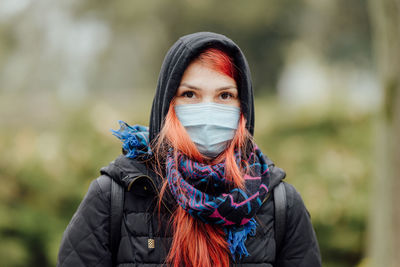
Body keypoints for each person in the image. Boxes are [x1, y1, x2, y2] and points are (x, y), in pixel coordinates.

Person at [57, 32, 322, 267]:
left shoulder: (278, 204)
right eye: (190, 94)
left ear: (244, 108)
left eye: (225, 95)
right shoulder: (117, 195)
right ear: (167, 104)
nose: (208, 110)